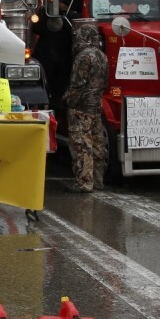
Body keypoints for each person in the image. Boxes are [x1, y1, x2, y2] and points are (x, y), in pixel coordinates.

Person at [61, 24, 108, 193]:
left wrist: (67, 99)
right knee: (97, 145)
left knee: (81, 145)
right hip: (96, 106)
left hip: (80, 107)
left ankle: (84, 182)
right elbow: (104, 83)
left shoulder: (83, 56)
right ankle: (97, 180)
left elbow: (77, 84)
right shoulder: (102, 56)